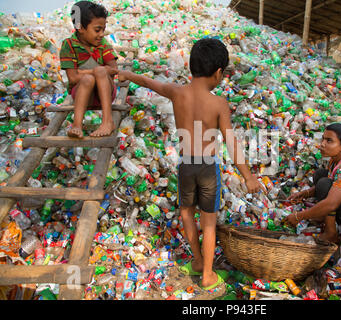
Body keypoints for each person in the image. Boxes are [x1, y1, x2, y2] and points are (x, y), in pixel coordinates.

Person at [117, 38, 266, 290]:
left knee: (187, 212)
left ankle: (197, 261)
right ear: (218, 73)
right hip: (208, 167)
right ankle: (207, 274)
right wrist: (248, 176)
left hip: (185, 165)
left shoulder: (177, 92)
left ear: (190, 67)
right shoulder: (218, 104)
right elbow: (230, 142)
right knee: (208, 222)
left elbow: (146, 82)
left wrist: (124, 73)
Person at [59, 1, 118, 138]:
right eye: (97, 30)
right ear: (80, 28)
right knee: (88, 78)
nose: (101, 34)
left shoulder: (103, 44)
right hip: (83, 96)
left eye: (103, 29)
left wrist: (95, 72)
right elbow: (73, 78)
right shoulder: (69, 45)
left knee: (100, 71)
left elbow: (114, 70)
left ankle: (107, 121)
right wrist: (93, 73)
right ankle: (77, 125)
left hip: (105, 94)